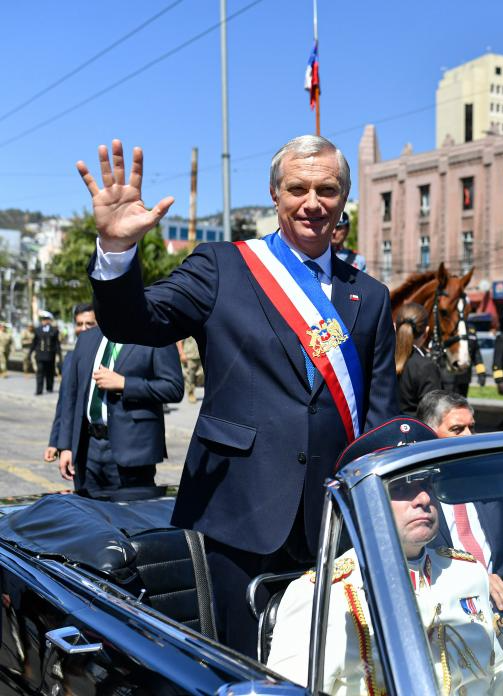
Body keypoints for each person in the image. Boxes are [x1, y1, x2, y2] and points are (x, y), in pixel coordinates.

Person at [78, 135, 399, 656]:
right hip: (237, 516)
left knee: (329, 664)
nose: (312, 203)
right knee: (238, 666)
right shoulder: (222, 266)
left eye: (326, 190)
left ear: (344, 199)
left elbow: (381, 420)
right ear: (275, 194)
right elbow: (135, 321)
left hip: (335, 524)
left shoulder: (371, 296)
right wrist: (116, 250)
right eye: (297, 188)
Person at [267, 417, 503, 696]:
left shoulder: (468, 574)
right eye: (401, 487)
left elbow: (499, 676)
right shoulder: (324, 594)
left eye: (426, 484)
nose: (423, 499)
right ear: (362, 504)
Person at [417, 390, 503, 612]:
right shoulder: (417, 494)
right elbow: (418, 561)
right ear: (429, 436)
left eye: (471, 428)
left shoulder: (484, 485)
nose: (469, 436)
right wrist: (476, 579)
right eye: (457, 429)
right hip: (446, 607)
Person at [55, 326, 183, 497]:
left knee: (130, 512)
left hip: (132, 450)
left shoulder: (156, 335)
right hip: (88, 450)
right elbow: (71, 394)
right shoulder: (87, 338)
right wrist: (66, 446)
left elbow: (173, 387)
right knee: (89, 511)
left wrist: (125, 384)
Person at [44, 303, 98, 465]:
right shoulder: (70, 358)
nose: (83, 328)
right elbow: (64, 402)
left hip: (98, 443)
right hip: (75, 444)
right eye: (79, 324)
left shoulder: (104, 357)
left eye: (89, 324)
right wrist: (55, 442)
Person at [395, 302, 443, 415]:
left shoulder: (381, 360)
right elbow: (431, 414)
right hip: (414, 426)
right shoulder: (426, 367)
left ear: (395, 327)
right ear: (426, 332)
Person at [27, 311, 62, 395]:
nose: (44, 321)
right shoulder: (38, 330)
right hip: (40, 355)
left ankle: (49, 387)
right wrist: (30, 353)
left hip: (50, 355)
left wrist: (59, 355)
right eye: (43, 320)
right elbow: (34, 343)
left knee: (50, 372)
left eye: (46, 319)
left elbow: (57, 344)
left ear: (49, 320)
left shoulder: (54, 330)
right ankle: (39, 390)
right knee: (40, 372)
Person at [176, 336, 201, 404]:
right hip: (189, 356)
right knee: (190, 377)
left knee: (201, 374)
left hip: (199, 355)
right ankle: (191, 393)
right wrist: (181, 353)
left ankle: (194, 387)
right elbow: (179, 340)